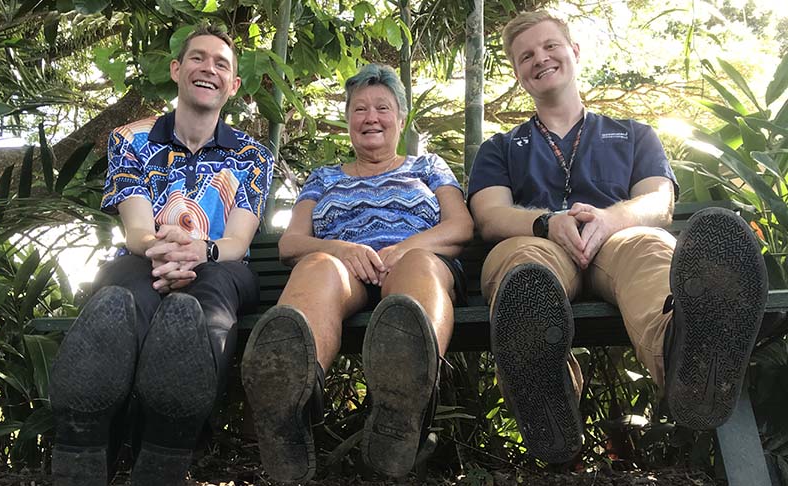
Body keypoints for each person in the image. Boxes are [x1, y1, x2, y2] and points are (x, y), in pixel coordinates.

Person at [468, 11, 767, 464]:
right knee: (523, 271)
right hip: (537, 243)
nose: (540, 59)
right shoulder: (502, 147)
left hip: (618, 242)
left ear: (575, 52)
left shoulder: (634, 134)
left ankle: (685, 354)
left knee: (650, 251)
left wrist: (608, 221)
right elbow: (490, 216)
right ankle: (547, 392)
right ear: (518, 75)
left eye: (550, 46)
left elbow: (658, 202)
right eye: (526, 56)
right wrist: (546, 223)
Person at [48, 24, 274, 486]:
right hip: (145, 256)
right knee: (124, 294)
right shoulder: (130, 139)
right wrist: (165, 251)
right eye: (198, 58)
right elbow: (136, 230)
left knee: (201, 302)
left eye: (221, 64)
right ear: (176, 69)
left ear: (233, 86)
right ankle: (84, 439)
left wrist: (199, 250)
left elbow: (236, 242)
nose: (208, 68)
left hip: (222, 264)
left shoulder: (253, 155)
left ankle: (167, 443)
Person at [240, 63, 473, 482]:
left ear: (401, 119)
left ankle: (406, 401)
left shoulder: (428, 166)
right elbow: (291, 243)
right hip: (345, 275)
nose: (371, 118)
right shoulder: (323, 178)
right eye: (359, 110)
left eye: (382, 108)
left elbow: (460, 226)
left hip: (416, 263)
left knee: (416, 274)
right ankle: (290, 402)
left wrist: (403, 248)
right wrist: (340, 248)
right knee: (317, 265)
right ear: (347, 121)